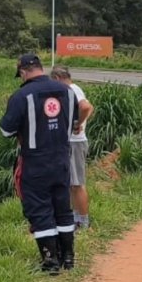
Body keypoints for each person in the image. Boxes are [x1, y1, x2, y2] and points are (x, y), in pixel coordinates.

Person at [0, 53, 77, 273]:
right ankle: (68, 258)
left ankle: (50, 261)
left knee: (39, 208)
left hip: (35, 162)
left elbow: (6, 131)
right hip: (62, 159)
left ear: (23, 72)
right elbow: (72, 122)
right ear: (41, 68)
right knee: (63, 208)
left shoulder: (21, 95)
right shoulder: (67, 92)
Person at [50, 65, 95, 229]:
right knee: (71, 184)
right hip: (73, 142)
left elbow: (85, 107)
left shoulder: (72, 90)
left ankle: (83, 221)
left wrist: (77, 123)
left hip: (75, 143)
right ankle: (76, 218)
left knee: (77, 184)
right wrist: (81, 121)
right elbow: (90, 107)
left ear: (56, 79)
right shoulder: (75, 89)